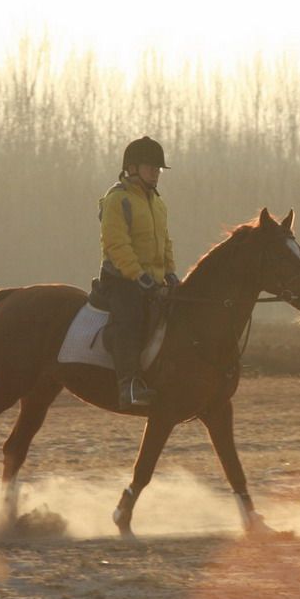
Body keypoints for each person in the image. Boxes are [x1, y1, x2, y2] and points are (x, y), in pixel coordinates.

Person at [98, 136, 179, 412]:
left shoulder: (158, 203)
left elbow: (165, 241)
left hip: (153, 280)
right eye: (150, 168)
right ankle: (128, 385)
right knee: (129, 320)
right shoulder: (117, 200)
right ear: (132, 168)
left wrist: (170, 273)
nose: (156, 173)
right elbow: (116, 244)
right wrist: (138, 276)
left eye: (158, 169)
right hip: (122, 279)